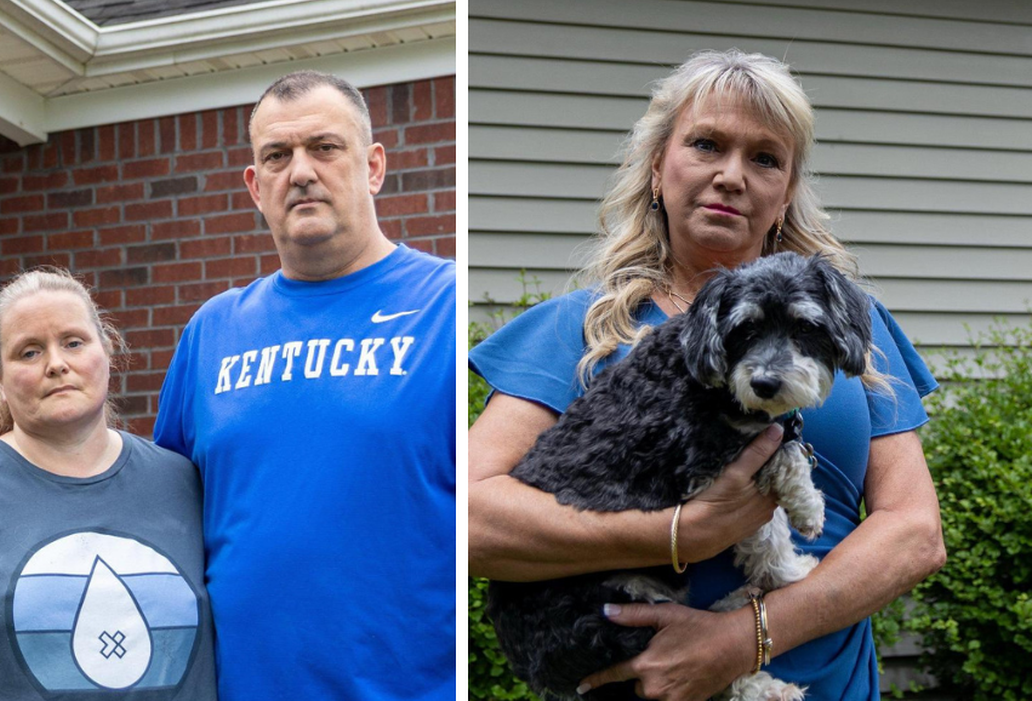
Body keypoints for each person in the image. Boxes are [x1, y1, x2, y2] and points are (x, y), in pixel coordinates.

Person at [468, 50, 945, 701]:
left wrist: (743, 639)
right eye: (706, 144)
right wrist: (679, 533)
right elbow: (466, 521)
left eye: (764, 158)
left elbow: (915, 534)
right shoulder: (578, 329)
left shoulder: (849, 320)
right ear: (659, 167)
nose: (731, 175)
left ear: (785, 193)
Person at [152, 70, 456, 701]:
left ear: (372, 167)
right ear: (255, 186)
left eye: (324, 147)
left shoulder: (444, 307)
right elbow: (149, 507)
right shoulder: (212, 332)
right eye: (277, 155)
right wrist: (15, 451)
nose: (301, 172)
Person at [0, 268, 217, 701]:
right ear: (1, 381)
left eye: (73, 342)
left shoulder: (184, 482)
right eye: (29, 352)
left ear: (108, 350)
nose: (56, 363)